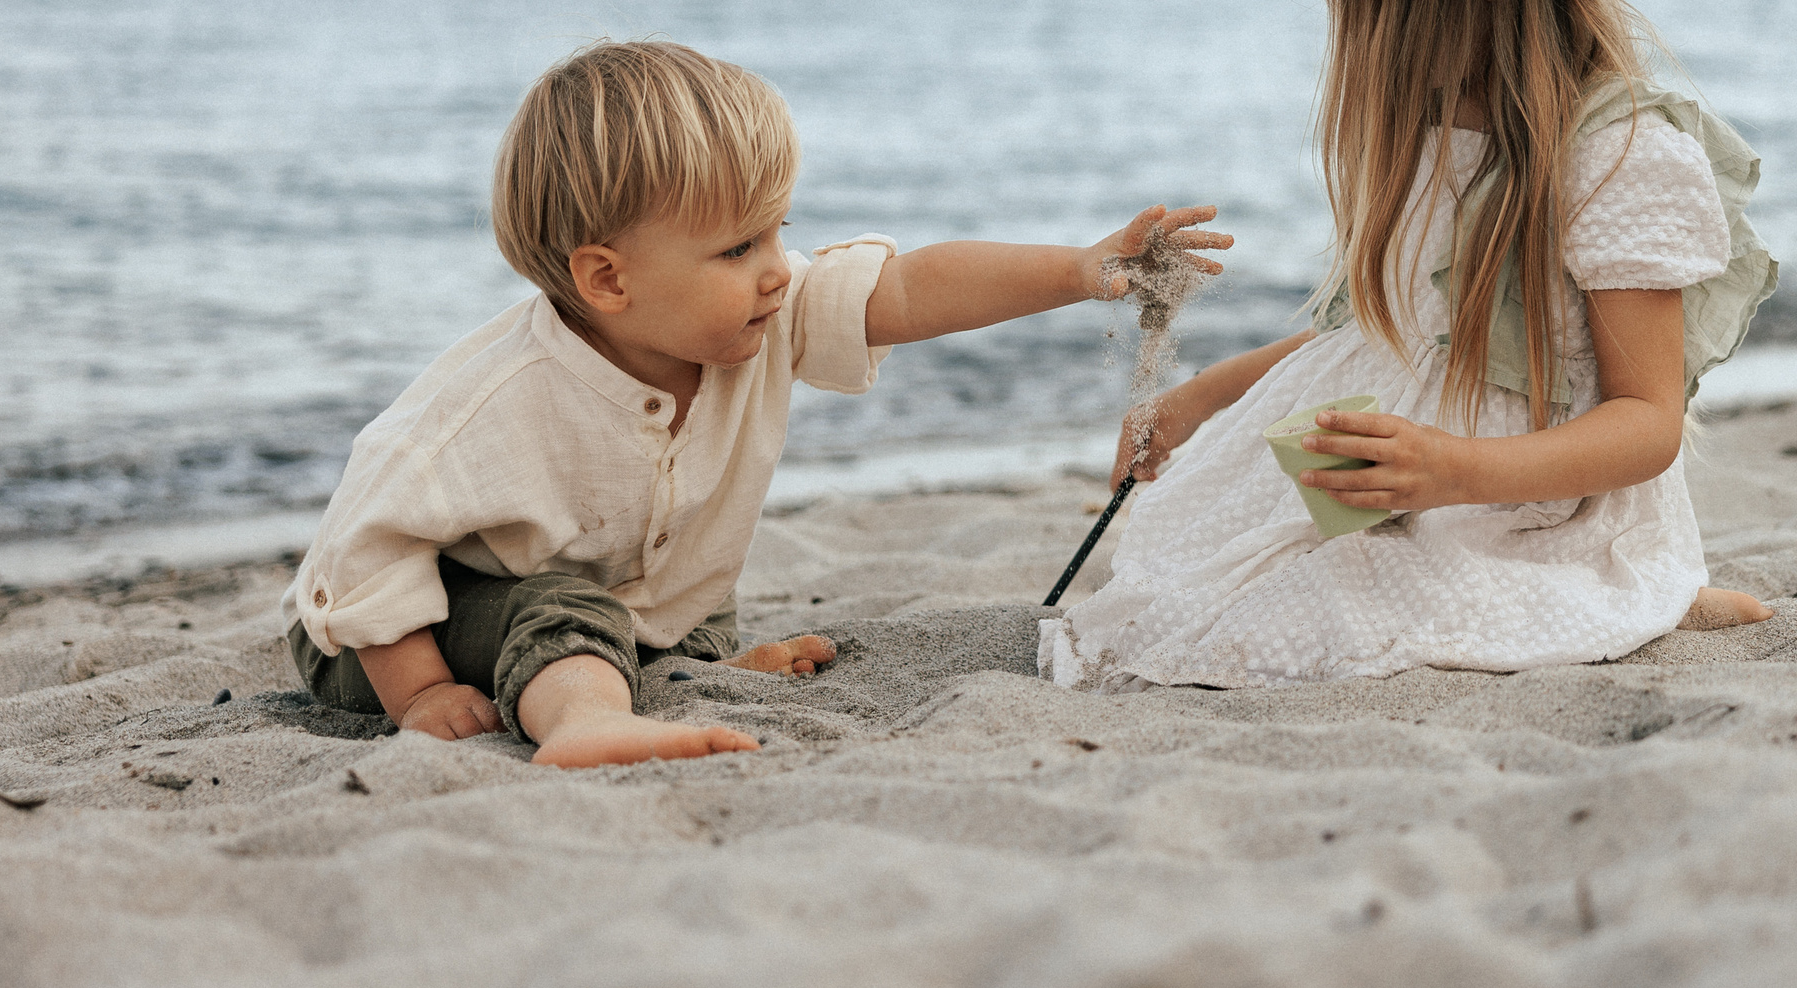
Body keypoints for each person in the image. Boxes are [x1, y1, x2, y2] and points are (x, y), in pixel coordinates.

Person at [1041, 0, 1778, 693]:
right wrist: (1204, 394)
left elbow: (1645, 424)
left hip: (1522, 498)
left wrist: (1453, 470)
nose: (1349, 19)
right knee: (1188, 593)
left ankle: (1640, 591)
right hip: (1413, 479)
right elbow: (1384, 338)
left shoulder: (1616, 153)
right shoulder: (1433, 134)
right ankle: (1630, 603)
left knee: (1328, 613)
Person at [285, 38, 1227, 765]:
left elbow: (908, 291)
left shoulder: (758, 316)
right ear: (607, 281)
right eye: (738, 250)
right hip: (402, 634)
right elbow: (362, 544)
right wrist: (415, 695)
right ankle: (582, 725)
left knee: (672, 604)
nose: (779, 272)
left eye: (779, 233)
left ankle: (667, 673)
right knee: (562, 610)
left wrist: (1078, 269)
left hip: (631, 604)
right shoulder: (492, 402)